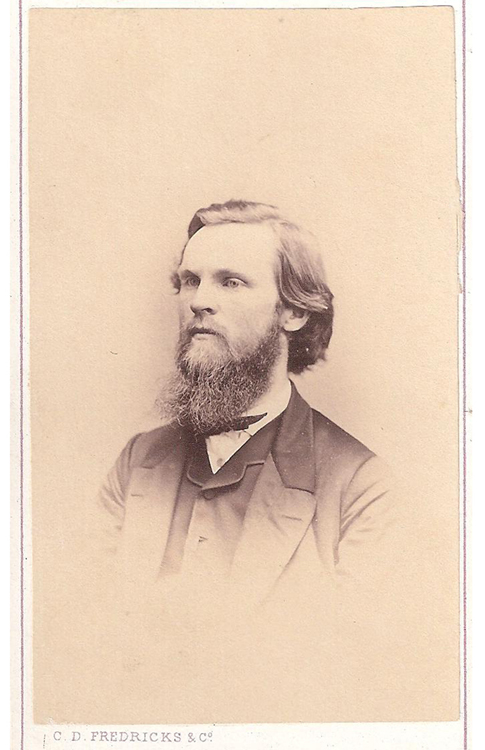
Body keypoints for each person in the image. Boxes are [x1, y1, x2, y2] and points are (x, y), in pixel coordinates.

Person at [93, 200, 400, 723]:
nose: (199, 301)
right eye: (190, 281)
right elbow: (85, 638)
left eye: (231, 282)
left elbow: (352, 679)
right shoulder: (138, 461)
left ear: (294, 312)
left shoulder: (361, 486)